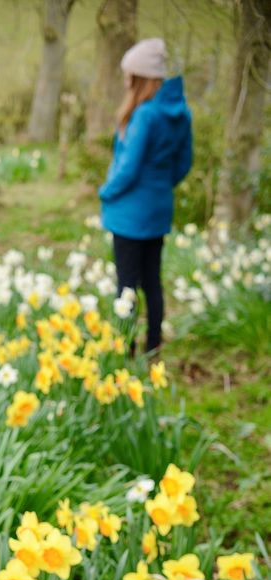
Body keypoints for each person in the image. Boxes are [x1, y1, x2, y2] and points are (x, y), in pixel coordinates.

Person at [98, 37, 192, 355]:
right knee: (152, 281)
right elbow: (184, 162)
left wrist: (106, 191)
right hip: (158, 209)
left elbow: (128, 168)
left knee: (126, 284)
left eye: (129, 74)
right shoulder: (181, 113)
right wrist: (161, 185)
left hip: (129, 214)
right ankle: (153, 348)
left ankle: (125, 350)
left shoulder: (145, 115)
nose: (125, 79)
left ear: (140, 77)